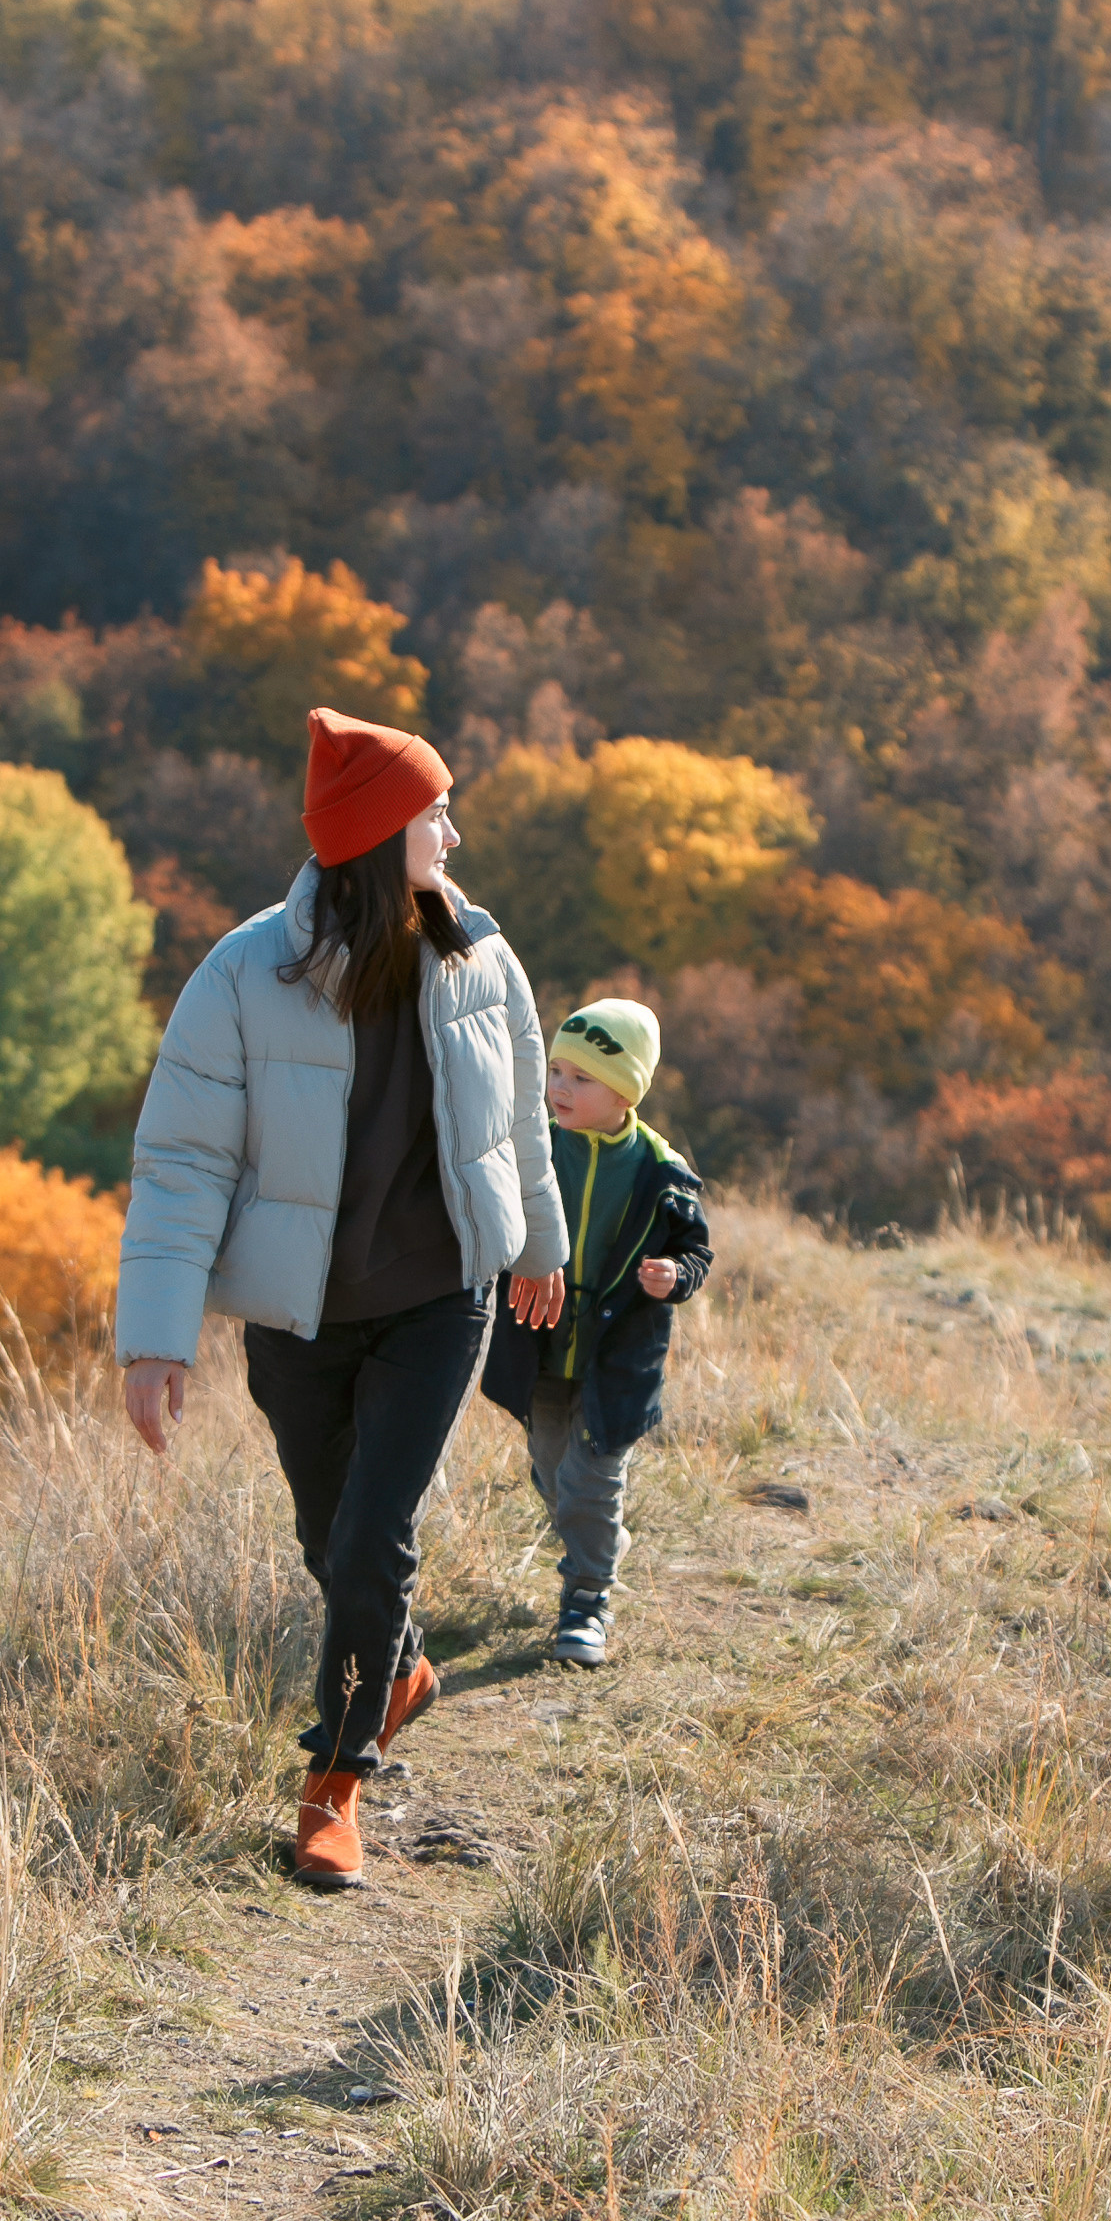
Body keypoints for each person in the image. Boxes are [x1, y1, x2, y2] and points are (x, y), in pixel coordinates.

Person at [115, 706, 568, 1892]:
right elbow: (182, 1163)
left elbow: (521, 1118)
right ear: (376, 835)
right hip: (300, 1316)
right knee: (333, 1542)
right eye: (433, 813)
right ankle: (397, 1667)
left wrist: (539, 1245)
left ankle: (334, 1781)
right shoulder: (241, 975)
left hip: (439, 1295)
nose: (453, 834)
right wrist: (156, 1338)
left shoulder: (481, 959)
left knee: (373, 1534)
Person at [481, 998, 712, 1667]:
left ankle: (587, 1600)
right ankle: (596, 1539)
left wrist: (677, 1274)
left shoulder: (659, 1173)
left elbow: (697, 1253)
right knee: (556, 1473)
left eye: (581, 1078)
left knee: (590, 1480)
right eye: (555, 1071)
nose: (559, 1088)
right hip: (540, 1344)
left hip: (616, 1358)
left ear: (625, 1091)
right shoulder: (532, 1149)